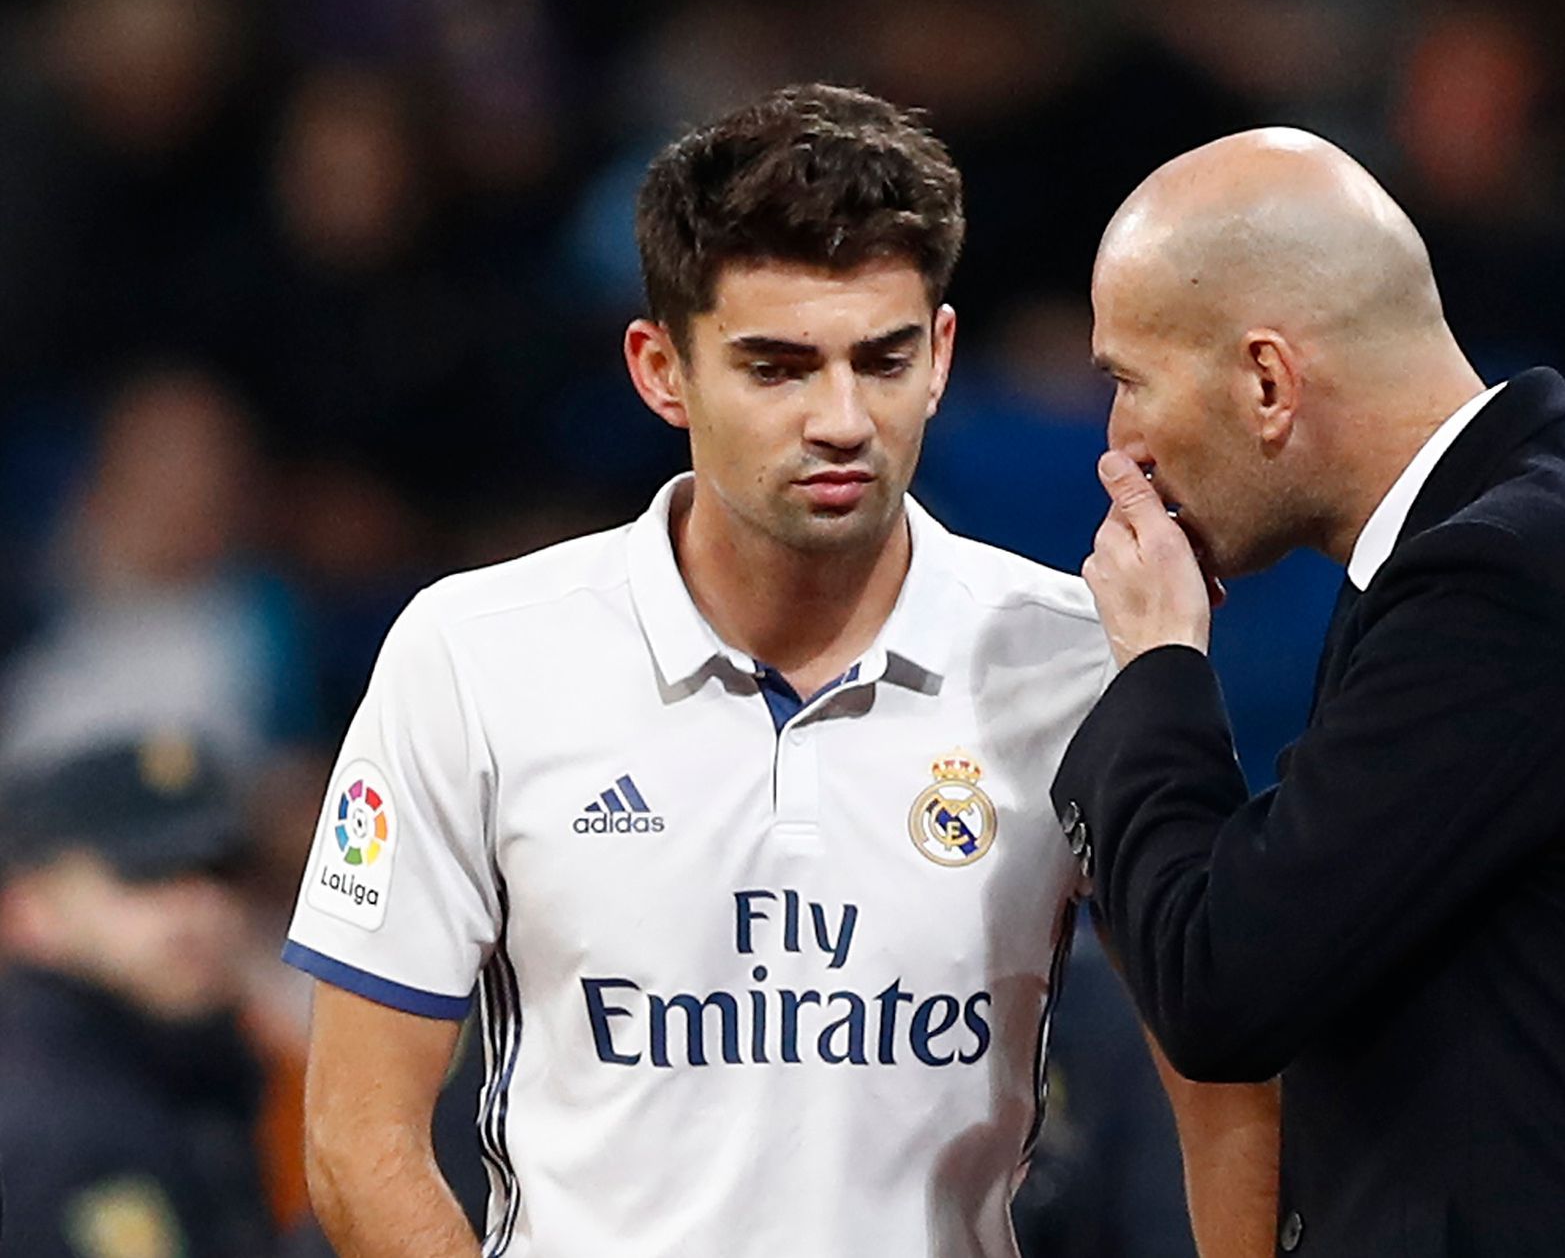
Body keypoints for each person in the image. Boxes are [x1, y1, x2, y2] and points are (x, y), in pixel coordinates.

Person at [284, 84, 1270, 1258]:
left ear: (942, 354)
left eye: (884, 358)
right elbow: (356, 1137)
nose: (843, 418)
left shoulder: (1079, 662)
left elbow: (1223, 1086)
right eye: (778, 367)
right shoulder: (476, 654)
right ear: (660, 369)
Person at [1050, 127, 1565, 1255]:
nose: (1119, 444)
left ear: (1265, 381)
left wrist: (1156, 668)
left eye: (1127, 383)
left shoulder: (1511, 580)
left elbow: (1219, 984)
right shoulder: (1518, 549)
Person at [0, 733, 272, 1258]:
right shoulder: (50, 1128)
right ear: (32, 908)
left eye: (219, 869)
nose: (199, 906)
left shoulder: (207, 1066)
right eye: (147, 873)